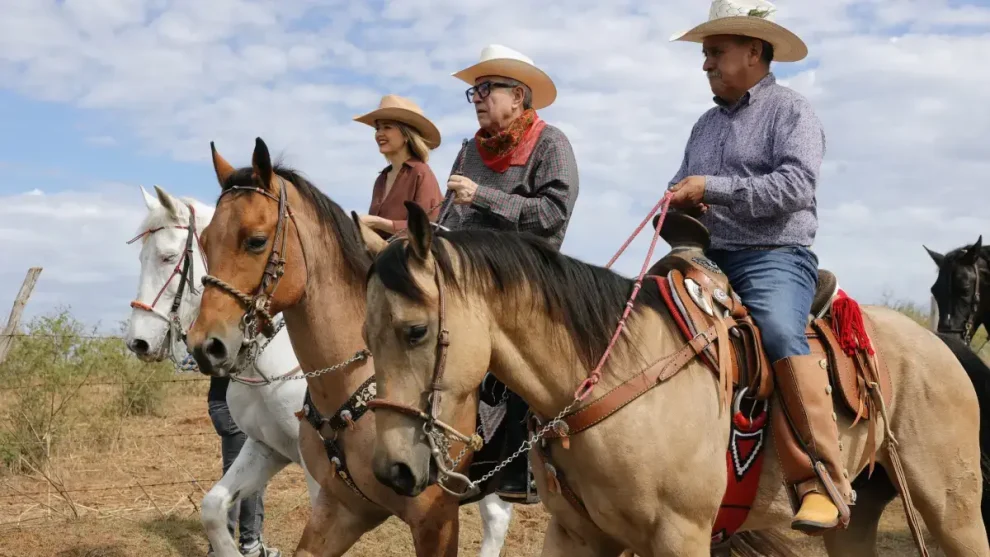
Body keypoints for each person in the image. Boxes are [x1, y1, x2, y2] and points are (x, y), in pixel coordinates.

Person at [666, 0, 850, 534]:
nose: (705, 64)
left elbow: (796, 188)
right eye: (705, 54)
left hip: (774, 255)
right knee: (646, 319)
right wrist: (678, 201)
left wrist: (712, 188)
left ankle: (819, 478)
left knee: (775, 329)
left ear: (754, 51)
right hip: (707, 256)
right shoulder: (703, 126)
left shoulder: (792, 112)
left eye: (715, 53)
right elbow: (685, 182)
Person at [438, 44, 580, 503]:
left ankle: (525, 465)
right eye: (473, 92)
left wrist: (482, 196)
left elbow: (554, 215)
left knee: (528, 359)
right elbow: (450, 219)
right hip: (468, 278)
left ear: (518, 96)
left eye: (485, 89)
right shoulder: (467, 151)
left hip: (528, 278)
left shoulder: (550, 142)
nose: (477, 98)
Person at [206, 375, 281, 557]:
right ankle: (245, 545)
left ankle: (232, 544)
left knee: (236, 474)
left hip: (220, 401)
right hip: (239, 404)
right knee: (250, 473)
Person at [354, 94, 444, 239]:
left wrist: (378, 223)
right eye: (377, 129)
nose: (379, 134)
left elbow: (427, 229)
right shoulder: (381, 179)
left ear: (406, 135)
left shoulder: (421, 172)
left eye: (387, 127)